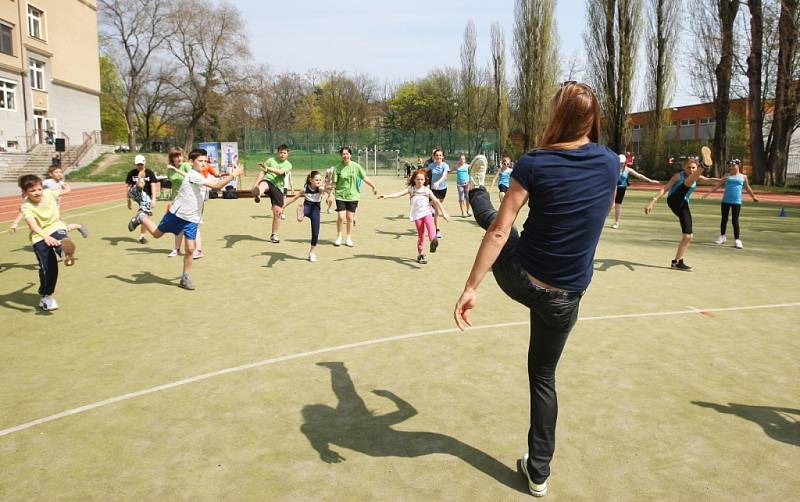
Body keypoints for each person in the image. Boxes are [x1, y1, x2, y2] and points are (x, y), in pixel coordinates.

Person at [453, 81, 618, 498]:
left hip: (521, 279)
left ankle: (474, 190)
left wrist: (471, 287)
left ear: (555, 117)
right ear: (593, 119)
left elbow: (498, 230)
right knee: (543, 377)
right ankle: (539, 472)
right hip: (567, 297)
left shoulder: (535, 163)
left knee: (494, 217)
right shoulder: (610, 163)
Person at [127, 149, 242, 290]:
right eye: (200, 161)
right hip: (177, 214)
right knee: (157, 234)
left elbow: (216, 180)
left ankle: (185, 277)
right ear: (191, 162)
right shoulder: (194, 175)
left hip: (192, 218)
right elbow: (217, 186)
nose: (203, 163)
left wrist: (230, 173)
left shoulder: (200, 175)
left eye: (205, 161)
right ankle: (141, 217)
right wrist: (234, 175)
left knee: (190, 248)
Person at [17, 174, 79, 310]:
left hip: (56, 226)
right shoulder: (26, 207)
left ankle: (64, 252)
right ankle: (46, 296)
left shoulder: (49, 193)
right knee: (49, 268)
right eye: (32, 191)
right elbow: (33, 225)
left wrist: (67, 188)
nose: (37, 193)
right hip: (39, 236)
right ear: (24, 193)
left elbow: (66, 191)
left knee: (62, 238)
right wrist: (45, 236)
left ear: (42, 188)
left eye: (39, 189)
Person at [644, 158, 720, 270]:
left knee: (688, 236)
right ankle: (704, 165)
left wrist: (724, 179)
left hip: (683, 205)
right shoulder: (678, 176)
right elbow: (664, 189)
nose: (691, 169)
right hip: (674, 200)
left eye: (693, 167)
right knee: (687, 183)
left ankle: (677, 262)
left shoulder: (697, 177)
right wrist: (653, 201)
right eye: (688, 167)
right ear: (684, 168)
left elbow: (711, 180)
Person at [378, 168, 450, 264]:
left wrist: (444, 212)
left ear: (425, 180)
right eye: (418, 179)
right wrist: (386, 196)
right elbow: (398, 194)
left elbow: (436, 201)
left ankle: (433, 242)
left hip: (427, 213)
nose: (420, 181)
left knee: (431, 228)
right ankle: (421, 254)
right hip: (417, 215)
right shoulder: (411, 189)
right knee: (421, 235)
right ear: (414, 180)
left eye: (422, 179)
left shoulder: (427, 190)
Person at [9, 165, 89, 240]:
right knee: (51, 227)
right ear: (50, 174)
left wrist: (68, 189)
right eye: (56, 172)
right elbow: (34, 186)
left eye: (60, 172)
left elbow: (66, 191)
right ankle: (67, 235)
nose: (59, 174)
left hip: (53, 209)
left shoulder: (61, 183)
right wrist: (27, 192)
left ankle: (64, 239)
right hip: (42, 208)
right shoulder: (47, 182)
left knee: (59, 227)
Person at [702, 159, 759, 248]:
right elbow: (718, 185)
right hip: (725, 201)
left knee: (735, 221)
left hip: (736, 202)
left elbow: (747, 187)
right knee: (724, 219)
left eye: (733, 166)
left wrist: (753, 196)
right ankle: (722, 236)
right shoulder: (727, 175)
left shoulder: (743, 177)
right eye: (730, 166)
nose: (731, 167)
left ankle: (737, 240)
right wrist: (708, 193)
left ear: (738, 166)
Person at [331, 146, 378, 247]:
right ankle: (339, 237)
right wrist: (330, 194)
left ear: (350, 155)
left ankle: (348, 238)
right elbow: (334, 183)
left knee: (350, 217)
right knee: (340, 216)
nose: (345, 156)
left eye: (347, 154)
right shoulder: (337, 168)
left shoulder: (356, 166)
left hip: (353, 196)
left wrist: (373, 186)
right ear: (341, 155)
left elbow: (364, 177)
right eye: (343, 154)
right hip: (340, 195)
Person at [252, 144, 292, 243]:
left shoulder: (288, 165)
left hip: (278, 188)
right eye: (280, 152)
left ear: (287, 154)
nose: (282, 154)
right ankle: (258, 194)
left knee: (278, 212)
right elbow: (262, 173)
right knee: (264, 184)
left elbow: (280, 172)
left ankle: (274, 235)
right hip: (268, 181)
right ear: (277, 152)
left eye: (284, 153)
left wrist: (267, 168)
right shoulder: (270, 160)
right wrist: (255, 184)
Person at [610, 153, 660, 229]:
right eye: (619, 163)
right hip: (613, 188)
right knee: (609, 205)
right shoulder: (613, 169)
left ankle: (617, 222)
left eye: (622, 163)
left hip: (621, 189)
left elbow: (639, 175)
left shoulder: (627, 170)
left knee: (617, 206)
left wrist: (650, 180)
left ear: (625, 163)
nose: (621, 164)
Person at [125, 154, 159, 244]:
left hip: (145, 197)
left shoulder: (150, 173)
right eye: (138, 164)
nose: (140, 166)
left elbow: (153, 186)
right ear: (135, 164)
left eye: (141, 164)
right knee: (140, 184)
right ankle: (139, 181)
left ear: (145, 163)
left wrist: (154, 199)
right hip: (135, 193)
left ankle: (142, 236)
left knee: (145, 216)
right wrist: (128, 201)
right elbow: (128, 187)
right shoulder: (131, 173)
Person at [164, 148, 192, 258]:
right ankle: (176, 249)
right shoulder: (169, 169)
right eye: (176, 156)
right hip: (176, 200)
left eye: (180, 155)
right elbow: (172, 182)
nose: (178, 158)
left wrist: (176, 170)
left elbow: (190, 177)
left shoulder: (185, 165)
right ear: (172, 158)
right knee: (177, 225)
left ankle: (195, 249)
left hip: (188, 199)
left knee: (190, 225)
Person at [427, 148, 450, 238]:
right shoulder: (431, 165)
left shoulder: (445, 165)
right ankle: (438, 230)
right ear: (434, 157)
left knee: (437, 205)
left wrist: (438, 182)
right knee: (437, 209)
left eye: (440, 155)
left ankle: (430, 207)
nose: (438, 157)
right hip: (433, 190)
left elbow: (444, 175)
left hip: (442, 189)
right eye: (437, 155)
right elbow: (424, 172)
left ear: (442, 156)